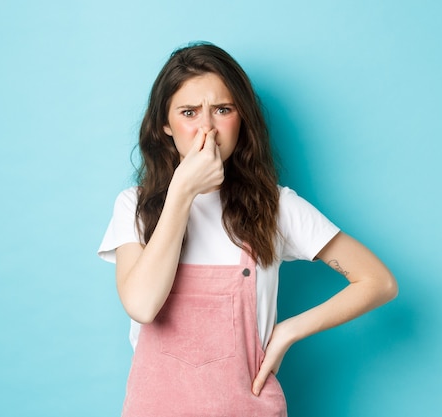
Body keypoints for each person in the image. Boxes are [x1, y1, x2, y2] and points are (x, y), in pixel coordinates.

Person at [98, 41, 398, 417]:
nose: (206, 128)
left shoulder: (275, 207)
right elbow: (142, 305)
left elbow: (378, 282)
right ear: (165, 126)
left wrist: (289, 331)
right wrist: (182, 192)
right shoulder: (134, 207)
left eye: (222, 109)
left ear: (241, 120)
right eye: (189, 112)